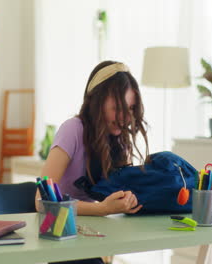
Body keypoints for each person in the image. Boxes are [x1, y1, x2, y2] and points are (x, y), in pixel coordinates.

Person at [35, 61, 150, 264]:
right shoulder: (73, 130)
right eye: (117, 108)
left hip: (91, 236)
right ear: (97, 101)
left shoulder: (117, 140)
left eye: (130, 108)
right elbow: (41, 201)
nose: (124, 118)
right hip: (61, 235)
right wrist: (101, 209)